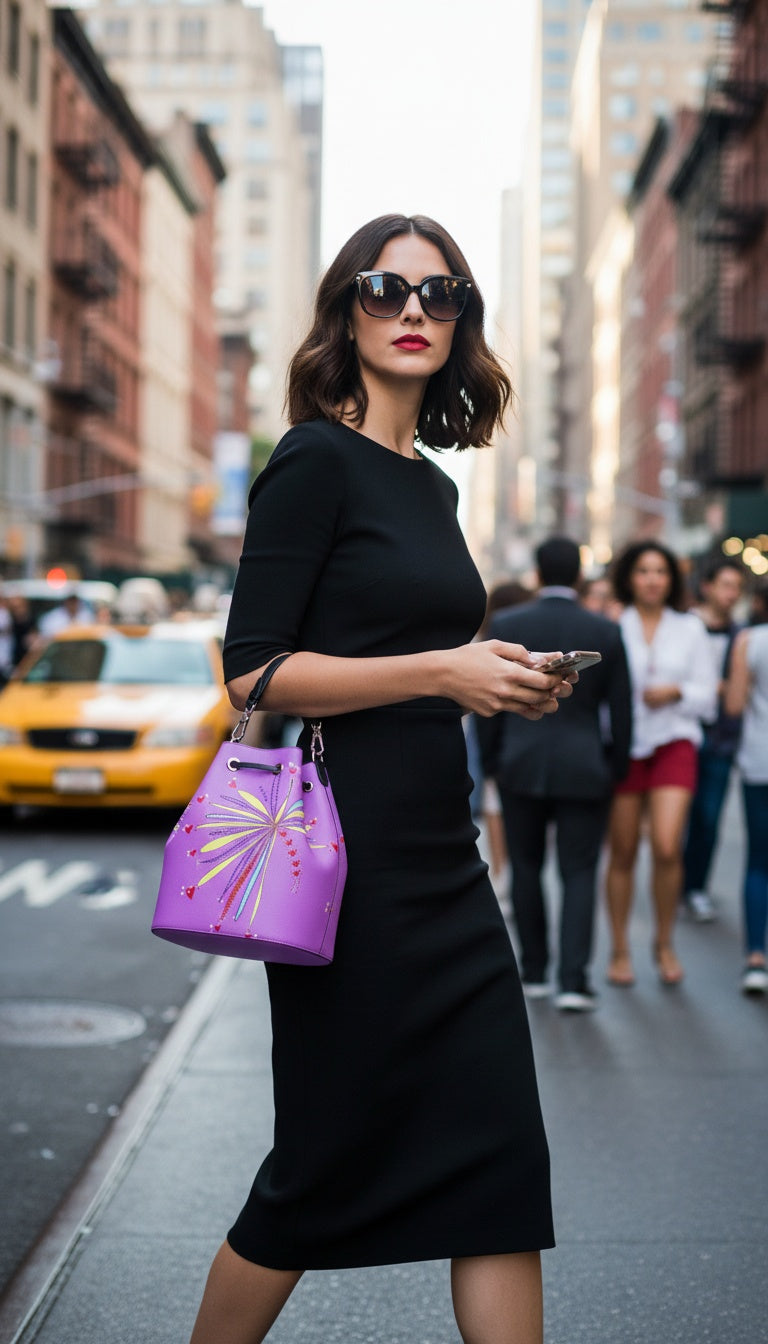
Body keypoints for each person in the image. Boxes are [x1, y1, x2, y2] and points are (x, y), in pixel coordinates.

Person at [191, 214, 575, 1344]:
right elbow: (251, 673)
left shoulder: (436, 491)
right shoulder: (313, 460)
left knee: (503, 1167)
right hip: (338, 869)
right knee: (317, 1172)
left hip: (443, 867)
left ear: (462, 324)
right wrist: (443, 670)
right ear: (345, 311)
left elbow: (423, 665)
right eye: (384, 288)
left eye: (440, 293)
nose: (413, 310)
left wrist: (499, 678)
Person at [476, 537, 632, 1011]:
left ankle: (535, 970)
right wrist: (615, 768)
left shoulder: (508, 624)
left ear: (538, 574)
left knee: (525, 866)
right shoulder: (603, 630)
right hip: (586, 767)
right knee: (579, 871)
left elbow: (493, 706)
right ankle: (573, 980)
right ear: (580, 575)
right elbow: (621, 712)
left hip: (520, 763)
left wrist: (493, 764)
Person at [605, 541, 717, 988]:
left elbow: (709, 696)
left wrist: (676, 692)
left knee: (668, 846)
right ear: (629, 578)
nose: (652, 579)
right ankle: (618, 949)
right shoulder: (613, 625)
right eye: (643, 571)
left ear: (672, 579)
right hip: (625, 746)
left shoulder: (690, 628)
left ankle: (664, 942)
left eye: (660, 571)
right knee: (624, 849)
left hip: (675, 739)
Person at [682, 559, 744, 922]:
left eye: (736, 586)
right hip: (684, 729)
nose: (731, 594)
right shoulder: (686, 627)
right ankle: (675, 876)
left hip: (721, 737)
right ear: (707, 586)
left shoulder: (742, 634)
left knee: (709, 815)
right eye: (725, 584)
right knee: (675, 816)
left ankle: (695, 886)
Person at [724, 596, 768, 995]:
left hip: (760, 760)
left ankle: (756, 957)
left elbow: (734, 705)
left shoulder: (749, 642)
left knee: (758, 860)